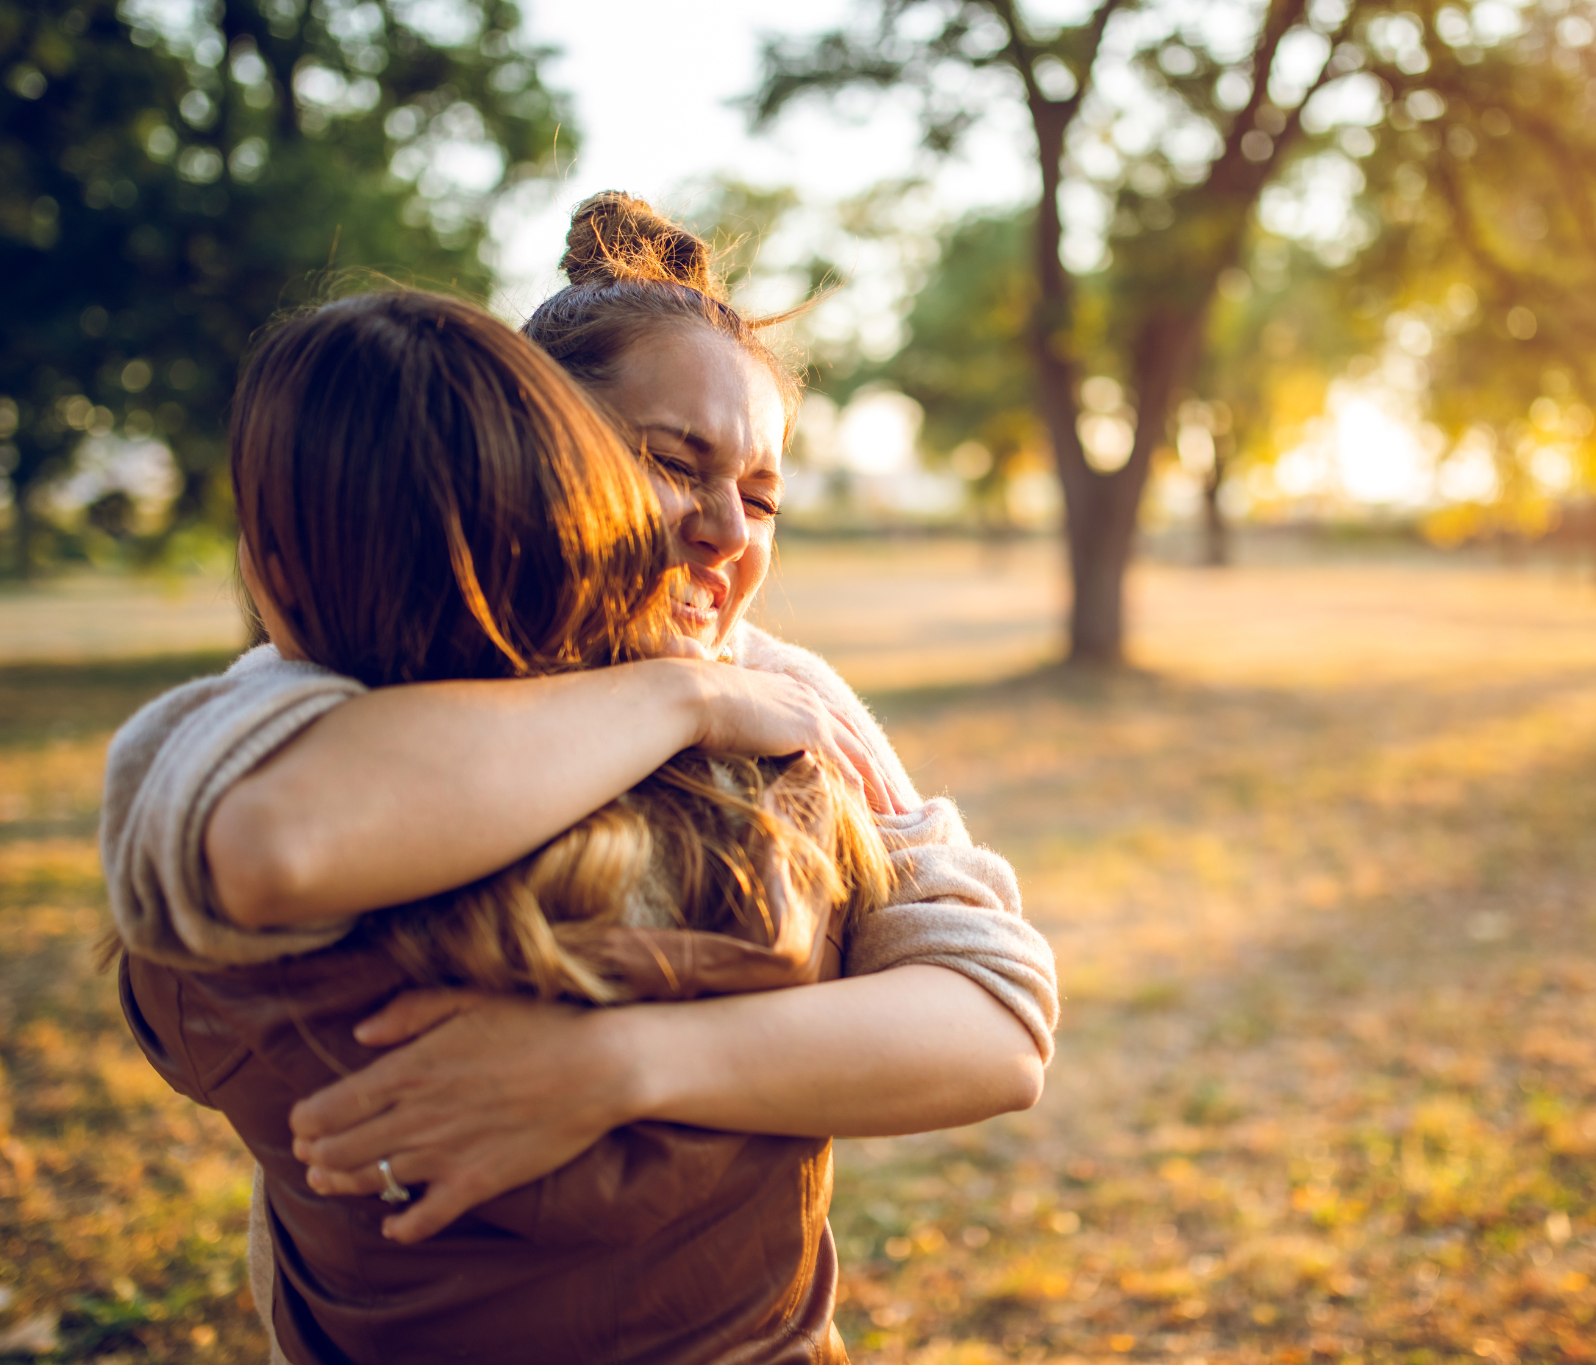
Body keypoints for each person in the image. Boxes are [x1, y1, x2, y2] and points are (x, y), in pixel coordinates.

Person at [104, 198, 1055, 1355]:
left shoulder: (784, 690)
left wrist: (613, 1067)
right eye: (670, 464)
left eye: (761, 497)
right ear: (539, 459)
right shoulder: (326, 702)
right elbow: (275, 841)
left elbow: (995, 1028)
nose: (725, 531)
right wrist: (681, 698)